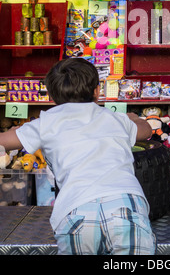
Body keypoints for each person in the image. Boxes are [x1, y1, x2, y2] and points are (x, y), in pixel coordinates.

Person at [0, 58, 156, 255]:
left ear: (52, 96)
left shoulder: (45, 122)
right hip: (125, 205)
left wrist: (19, 130)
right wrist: (133, 118)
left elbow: (3, 140)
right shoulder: (113, 117)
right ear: (97, 91)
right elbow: (146, 130)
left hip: (76, 210)